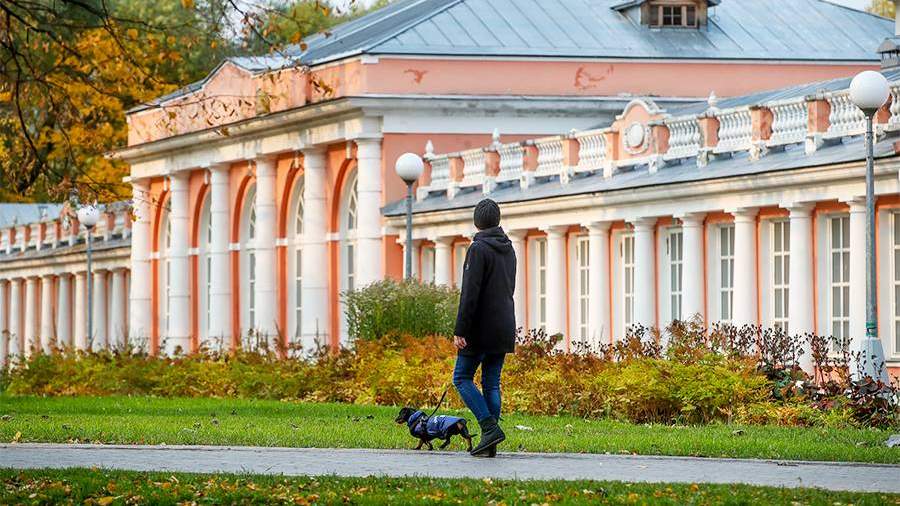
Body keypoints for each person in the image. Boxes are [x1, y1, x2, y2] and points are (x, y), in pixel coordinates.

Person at [452, 198, 516, 457]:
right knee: (491, 383)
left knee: (461, 378)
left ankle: (489, 428)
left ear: (477, 222)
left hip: (480, 327)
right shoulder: (509, 249)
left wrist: (461, 329)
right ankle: (490, 444)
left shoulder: (477, 249)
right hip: (504, 324)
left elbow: (470, 293)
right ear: (497, 220)